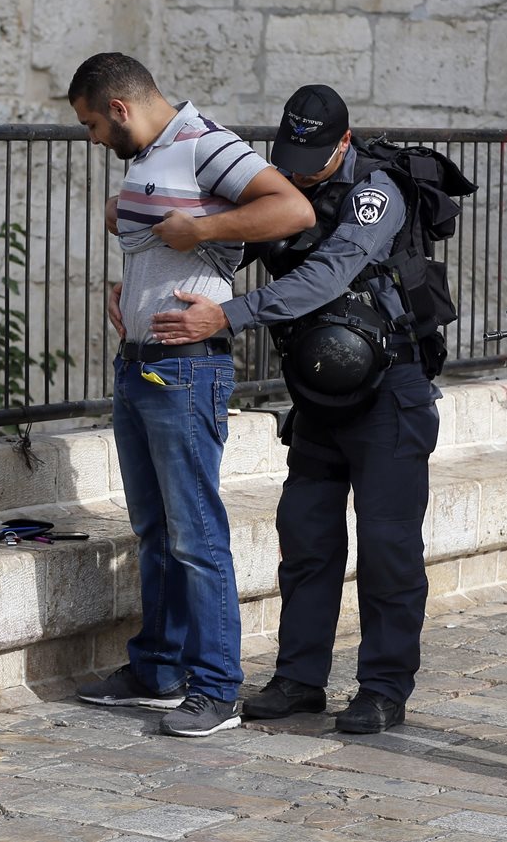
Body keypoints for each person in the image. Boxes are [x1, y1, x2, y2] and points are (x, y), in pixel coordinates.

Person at [150, 84, 441, 734]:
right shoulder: (283, 186)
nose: (299, 170)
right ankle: (300, 678)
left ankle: (384, 687)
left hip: (390, 391)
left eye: (313, 158)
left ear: (344, 142)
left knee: (389, 548)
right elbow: (223, 244)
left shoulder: (376, 192)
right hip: (319, 392)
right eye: (290, 157)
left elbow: (328, 274)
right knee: (306, 537)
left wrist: (231, 314)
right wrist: (149, 261)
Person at [67, 53, 314, 737]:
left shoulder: (204, 143)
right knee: (155, 529)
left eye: (92, 124)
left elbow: (291, 208)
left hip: (185, 371)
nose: (93, 138)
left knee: (196, 534)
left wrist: (201, 230)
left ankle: (216, 688)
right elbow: (161, 239)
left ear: (119, 108)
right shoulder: (150, 153)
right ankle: (157, 669)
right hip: (140, 366)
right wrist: (133, 286)